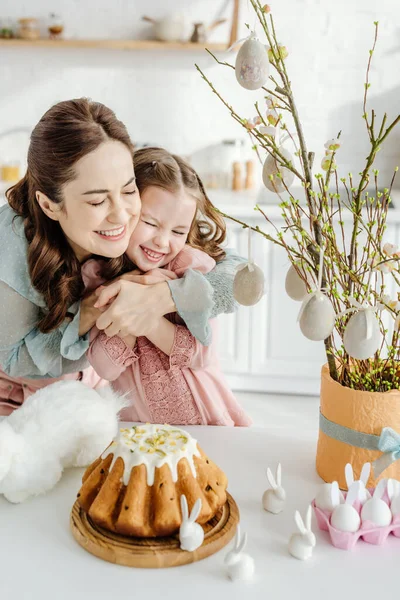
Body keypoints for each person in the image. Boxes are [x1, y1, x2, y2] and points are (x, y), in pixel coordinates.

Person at [0, 98, 244, 416]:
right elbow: (13, 359)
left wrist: (166, 295)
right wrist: (88, 313)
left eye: (129, 191)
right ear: (50, 205)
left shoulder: (140, 228)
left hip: (85, 394)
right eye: (98, 201)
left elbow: (239, 273)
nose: (121, 216)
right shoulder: (15, 248)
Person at [85, 147, 251, 426]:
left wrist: (148, 317)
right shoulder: (98, 276)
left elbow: (201, 354)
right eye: (150, 223)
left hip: (205, 419)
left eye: (177, 232)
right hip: (138, 428)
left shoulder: (191, 270)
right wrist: (128, 304)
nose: (162, 242)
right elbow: (105, 367)